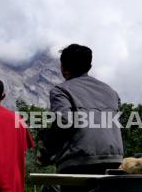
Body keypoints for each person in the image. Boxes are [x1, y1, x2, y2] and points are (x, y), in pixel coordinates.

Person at [39, 44, 124, 191]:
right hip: (115, 161)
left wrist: (46, 152)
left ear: (63, 68)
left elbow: (63, 121)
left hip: (79, 162)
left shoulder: (61, 90)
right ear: (89, 66)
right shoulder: (111, 91)